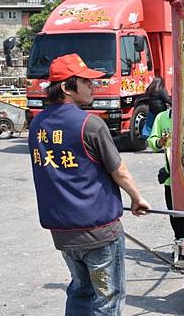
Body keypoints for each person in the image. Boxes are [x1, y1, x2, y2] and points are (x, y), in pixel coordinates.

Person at [28, 53, 151, 316]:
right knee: (108, 299)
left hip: (62, 231)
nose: (93, 86)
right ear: (67, 87)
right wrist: (137, 197)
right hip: (99, 230)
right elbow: (119, 171)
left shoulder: (37, 124)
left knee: (81, 291)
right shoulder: (90, 125)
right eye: (86, 82)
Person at [147, 107, 184, 240]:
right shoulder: (162, 117)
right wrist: (159, 142)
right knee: (175, 216)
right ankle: (179, 246)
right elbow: (152, 141)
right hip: (171, 179)